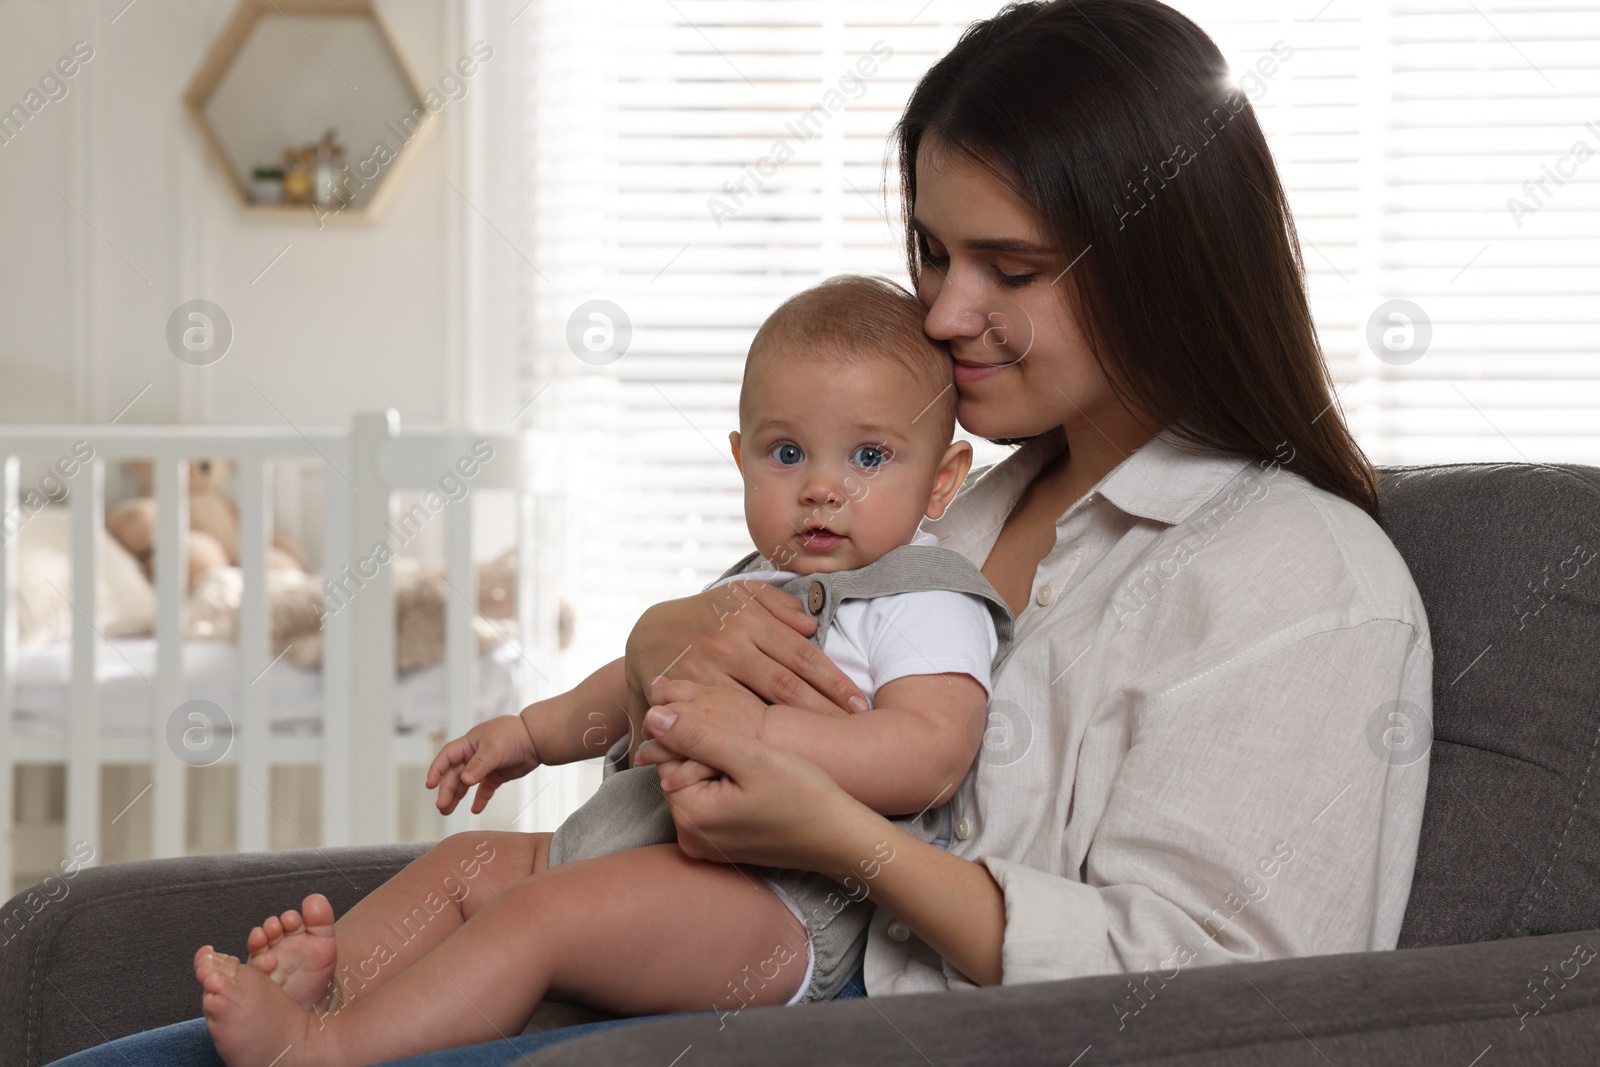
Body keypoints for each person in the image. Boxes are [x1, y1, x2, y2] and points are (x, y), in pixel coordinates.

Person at [49, 2, 1432, 1064]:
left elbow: (1233, 1001)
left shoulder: (1298, 576)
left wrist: (851, 839)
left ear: (1166, 263)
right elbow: (718, 643)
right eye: (932, 253)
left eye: (1009, 269)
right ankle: (327, 1002)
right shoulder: (973, 494)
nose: (944, 314)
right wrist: (660, 642)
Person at [186, 275, 1014, 1066]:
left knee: (543, 915)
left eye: (870, 457)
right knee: (468, 863)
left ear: (941, 479)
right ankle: (333, 991)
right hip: (633, 846)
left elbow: (931, 752)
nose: (822, 489)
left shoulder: (926, 596)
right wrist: (532, 733)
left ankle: (325, 1051)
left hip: (784, 905)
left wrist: (758, 735)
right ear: (740, 458)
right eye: (788, 452)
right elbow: (636, 685)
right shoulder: (752, 582)